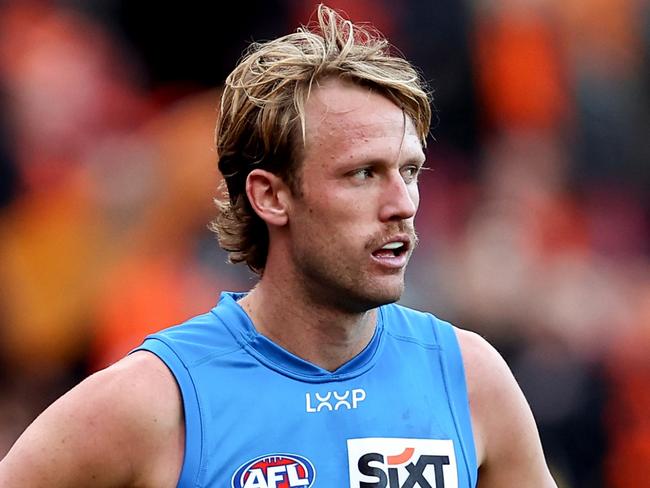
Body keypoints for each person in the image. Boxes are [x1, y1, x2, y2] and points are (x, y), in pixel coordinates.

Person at [0, 4, 557, 487]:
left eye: (409, 171)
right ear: (271, 196)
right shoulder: (156, 400)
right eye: (363, 173)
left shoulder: (469, 379)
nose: (403, 203)